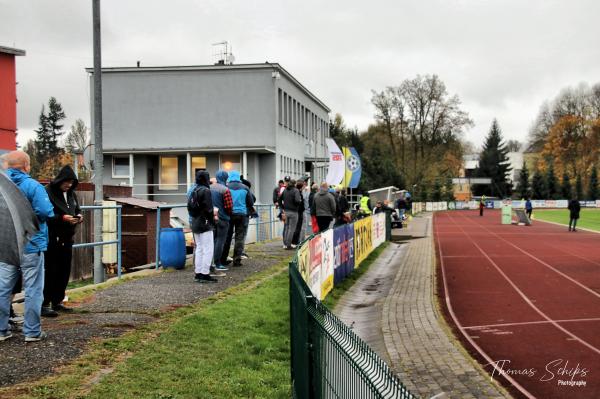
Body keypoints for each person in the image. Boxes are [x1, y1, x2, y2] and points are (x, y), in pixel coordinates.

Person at [0, 151, 54, 342]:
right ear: (27, 166)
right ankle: (32, 332)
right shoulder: (33, 186)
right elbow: (45, 211)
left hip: (6, 245)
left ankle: (1, 330)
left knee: (3, 288)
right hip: (31, 244)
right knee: (33, 289)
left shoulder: (3, 187)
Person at [42, 165, 83, 317]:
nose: (69, 185)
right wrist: (62, 218)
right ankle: (44, 303)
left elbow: (77, 209)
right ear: (60, 180)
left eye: (71, 182)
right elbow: (45, 213)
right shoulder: (47, 192)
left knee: (64, 271)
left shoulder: (72, 194)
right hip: (52, 239)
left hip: (67, 238)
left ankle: (57, 301)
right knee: (50, 271)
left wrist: (79, 216)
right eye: (67, 182)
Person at [188, 170, 217, 283]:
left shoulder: (194, 189)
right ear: (206, 178)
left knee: (199, 248)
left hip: (195, 221)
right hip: (205, 223)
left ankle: (198, 272)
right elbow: (209, 209)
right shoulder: (205, 190)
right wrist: (212, 220)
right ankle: (205, 273)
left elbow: (189, 207)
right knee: (208, 249)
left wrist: (195, 216)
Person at [221, 171, 254, 266]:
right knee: (240, 237)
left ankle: (223, 259)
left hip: (229, 214)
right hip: (242, 215)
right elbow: (251, 202)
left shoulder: (226, 187)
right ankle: (237, 260)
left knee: (227, 237)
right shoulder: (245, 187)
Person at [210, 170, 233, 272]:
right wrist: (229, 214)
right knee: (220, 241)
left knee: (212, 241)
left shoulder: (209, 188)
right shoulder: (225, 190)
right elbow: (229, 206)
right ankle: (218, 263)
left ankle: (210, 262)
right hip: (223, 219)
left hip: (211, 218)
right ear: (225, 178)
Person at [280, 179, 302, 249]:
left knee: (286, 228)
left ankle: (285, 244)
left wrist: (282, 207)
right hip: (294, 212)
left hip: (286, 211)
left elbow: (279, 199)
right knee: (291, 229)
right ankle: (288, 245)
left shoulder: (285, 190)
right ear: (295, 184)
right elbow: (297, 200)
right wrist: (299, 202)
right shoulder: (296, 190)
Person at [291, 179, 307, 246]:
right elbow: (298, 202)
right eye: (304, 185)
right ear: (301, 186)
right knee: (297, 227)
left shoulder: (297, 192)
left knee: (298, 227)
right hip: (298, 212)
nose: (304, 187)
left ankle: (296, 241)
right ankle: (295, 242)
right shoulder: (298, 192)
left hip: (298, 211)